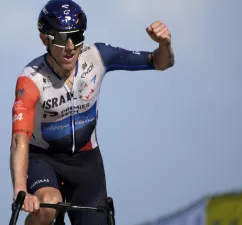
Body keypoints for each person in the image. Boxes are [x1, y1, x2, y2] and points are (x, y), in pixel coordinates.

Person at [10, 0, 174, 224]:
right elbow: (19, 139)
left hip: (86, 161)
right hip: (44, 158)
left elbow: (160, 62)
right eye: (60, 38)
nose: (69, 46)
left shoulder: (98, 56)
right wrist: (21, 190)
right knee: (48, 203)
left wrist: (164, 45)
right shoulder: (30, 79)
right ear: (44, 39)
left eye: (76, 37)